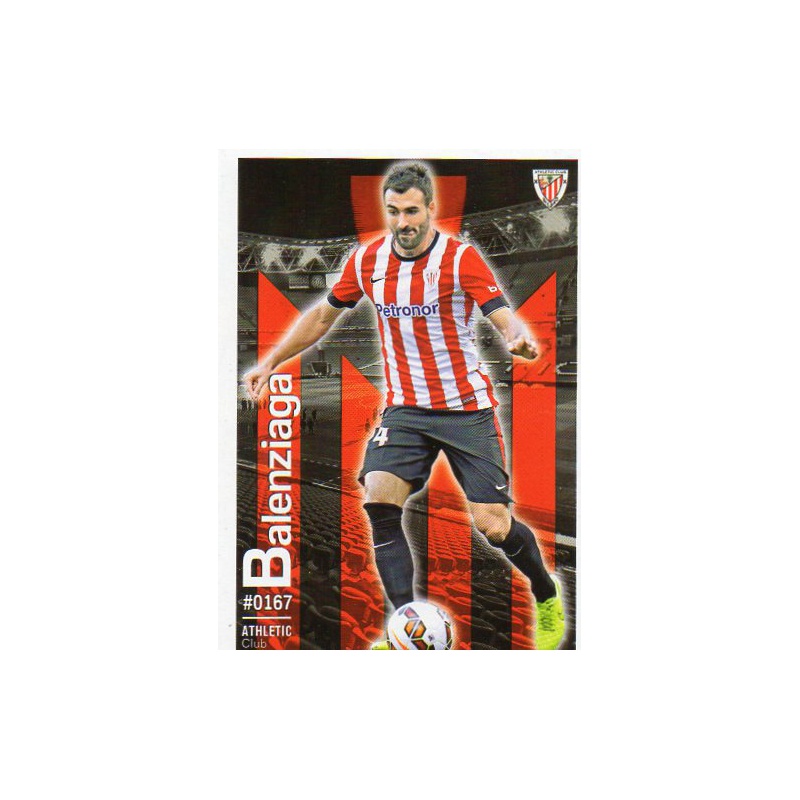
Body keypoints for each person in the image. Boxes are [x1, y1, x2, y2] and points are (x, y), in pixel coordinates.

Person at [243, 162, 565, 649]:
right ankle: (405, 627)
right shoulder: (367, 260)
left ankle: (546, 593)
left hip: (465, 409)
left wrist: (515, 336)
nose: (402, 222)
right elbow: (322, 317)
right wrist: (270, 362)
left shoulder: (460, 259)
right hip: (405, 410)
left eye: (412, 211)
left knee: (493, 527)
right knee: (379, 501)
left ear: (430, 208)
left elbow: (501, 315)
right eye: (393, 211)